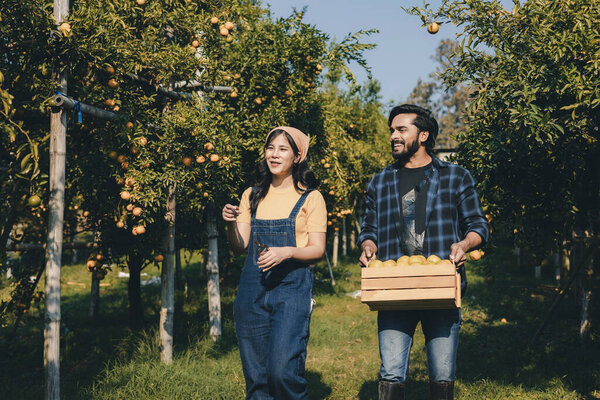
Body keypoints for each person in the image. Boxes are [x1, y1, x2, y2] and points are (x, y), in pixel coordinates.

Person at [358, 104, 490, 400]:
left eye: (401, 129)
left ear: (423, 135)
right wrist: (368, 246)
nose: (394, 135)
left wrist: (464, 244)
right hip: (393, 289)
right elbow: (369, 229)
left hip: (441, 286)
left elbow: (478, 225)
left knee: (442, 374)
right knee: (391, 371)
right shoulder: (380, 181)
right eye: (392, 129)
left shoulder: (455, 176)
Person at [222, 126, 327, 400]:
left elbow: (317, 249)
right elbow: (238, 246)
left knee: (282, 372)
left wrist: (287, 252)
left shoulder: (311, 197)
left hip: (291, 290)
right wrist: (231, 224)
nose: (274, 154)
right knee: (257, 378)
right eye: (270, 148)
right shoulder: (252, 195)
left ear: (297, 156)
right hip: (251, 290)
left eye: (283, 149)